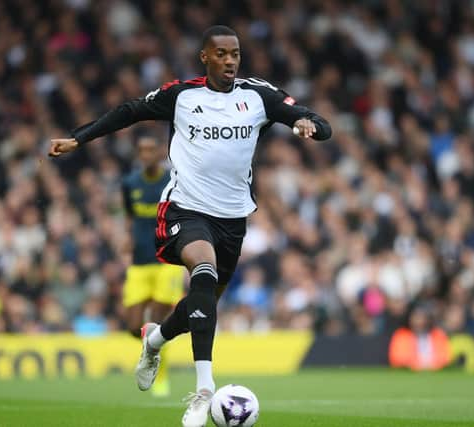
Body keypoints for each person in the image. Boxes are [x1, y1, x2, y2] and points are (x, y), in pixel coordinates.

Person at [49, 25, 332, 427]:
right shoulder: (182, 96)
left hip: (233, 219)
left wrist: (310, 126)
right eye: (221, 54)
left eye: (235, 54)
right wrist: (79, 138)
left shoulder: (258, 96)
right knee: (203, 270)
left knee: (202, 304)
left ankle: (154, 340)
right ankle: (203, 391)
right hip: (185, 209)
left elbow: (313, 118)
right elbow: (130, 111)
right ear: (205, 57)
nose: (230, 60)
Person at [121, 134, 185, 397]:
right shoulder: (129, 183)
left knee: (157, 320)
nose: (146, 155)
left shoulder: (172, 181)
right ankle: (155, 353)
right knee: (134, 327)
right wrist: (127, 242)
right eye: (142, 150)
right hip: (139, 262)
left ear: (160, 153)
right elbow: (129, 217)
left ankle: (162, 375)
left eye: (151, 150)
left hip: (165, 261)